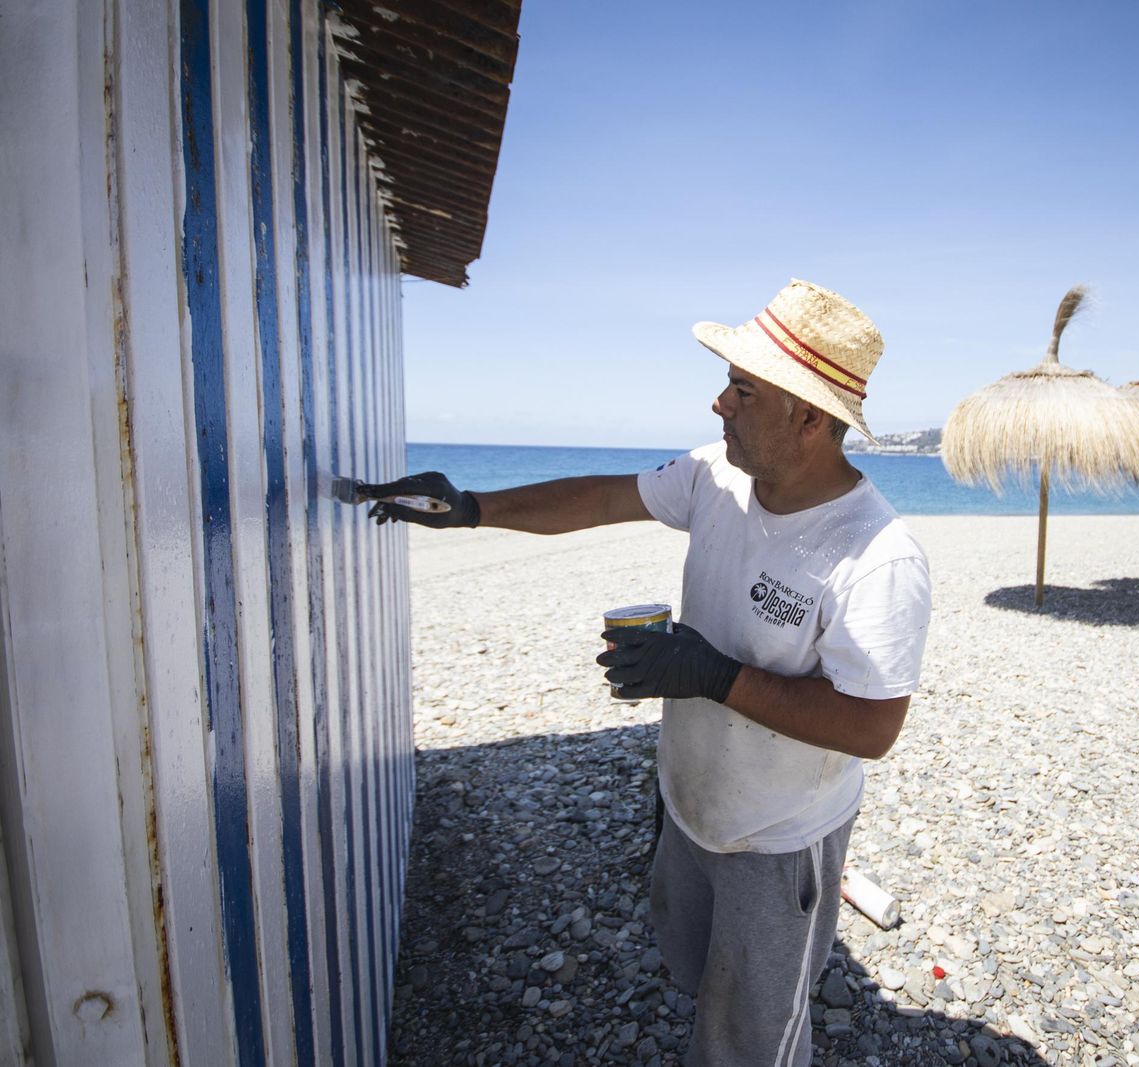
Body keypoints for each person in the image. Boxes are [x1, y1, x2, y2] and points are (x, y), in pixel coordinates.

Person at [362, 279, 932, 1066]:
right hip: (690, 803)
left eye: (743, 390)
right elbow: (602, 498)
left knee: (756, 1035)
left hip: (778, 837)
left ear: (807, 417)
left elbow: (872, 726)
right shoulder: (715, 475)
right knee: (700, 975)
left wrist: (711, 673)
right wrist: (471, 508)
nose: (718, 404)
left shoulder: (877, 556)